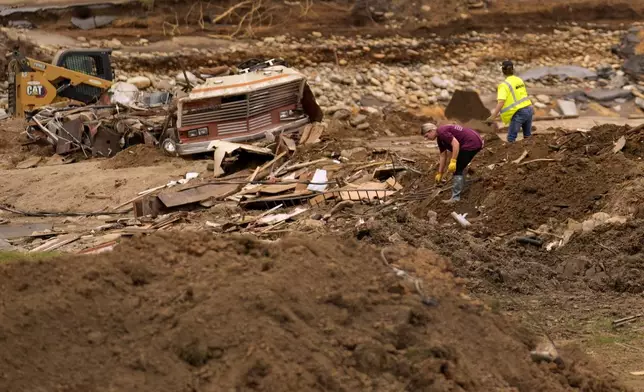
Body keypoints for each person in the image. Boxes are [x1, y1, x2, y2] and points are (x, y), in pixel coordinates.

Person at [421, 122, 483, 203]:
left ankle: (455, 198)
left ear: (430, 131)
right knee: (460, 166)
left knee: (457, 169)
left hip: (471, 143)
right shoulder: (440, 138)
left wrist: (453, 161)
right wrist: (440, 173)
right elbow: (443, 155)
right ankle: (463, 188)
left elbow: (456, 144)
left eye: (426, 136)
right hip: (474, 141)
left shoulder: (442, 132)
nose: (426, 139)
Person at [486, 60, 534, 143]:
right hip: (528, 110)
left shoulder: (504, 85)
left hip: (518, 113)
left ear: (502, 70)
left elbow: (501, 102)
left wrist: (493, 116)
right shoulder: (519, 80)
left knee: (511, 139)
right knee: (527, 137)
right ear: (513, 69)